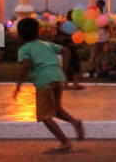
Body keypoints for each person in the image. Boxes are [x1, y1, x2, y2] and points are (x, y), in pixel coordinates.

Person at [12, 17, 84, 151]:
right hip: (58, 77)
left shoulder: (24, 49)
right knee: (57, 110)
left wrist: (18, 86)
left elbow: (25, 65)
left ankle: (65, 142)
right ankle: (75, 122)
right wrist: (63, 71)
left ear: (20, 35)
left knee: (44, 116)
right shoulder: (45, 44)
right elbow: (66, 51)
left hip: (44, 82)